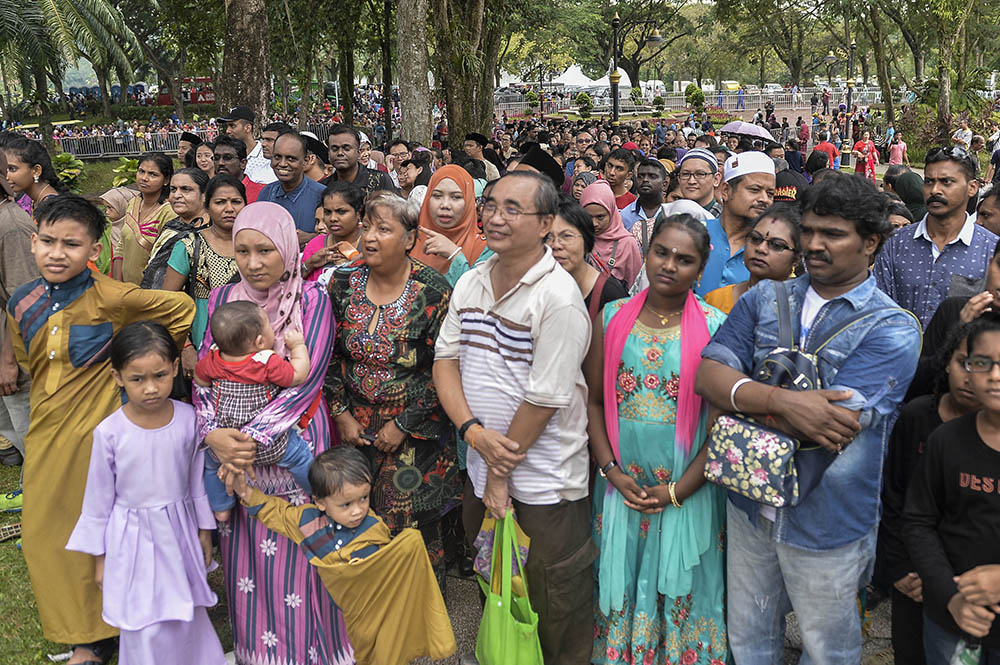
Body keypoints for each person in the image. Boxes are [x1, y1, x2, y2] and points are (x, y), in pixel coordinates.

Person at [695, 174, 922, 665]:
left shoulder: (893, 329)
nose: (815, 244)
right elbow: (707, 375)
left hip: (828, 519)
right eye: (811, 230)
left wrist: (743, 398)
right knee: (750, 639)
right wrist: (787, 403)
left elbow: (835, 425)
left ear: (871, 241)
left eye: (834, 234)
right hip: (748, 502)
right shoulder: (764, 298)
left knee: (828, 649)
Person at [8, 194, 194, 665]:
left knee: (115, 534)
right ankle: (85, 628)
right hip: (47, 435)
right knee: (47, 532)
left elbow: (184, 310)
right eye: (47, 241)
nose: (56, 252)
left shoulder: (113, 296)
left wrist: (162, 364)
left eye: (71, 244)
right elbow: (34, 363)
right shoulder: (22, 301)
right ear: (33, 243)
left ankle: (95, 640)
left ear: (94, 249)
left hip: (105, 436)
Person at [433, 171, 597, 665]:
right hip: (482, 469)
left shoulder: (559, 298)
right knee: (498, 593)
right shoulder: (472, 280)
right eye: (490, 205)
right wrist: (472, 432)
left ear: (546, 223)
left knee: (552, 605)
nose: (495, 217)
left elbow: (544, 399)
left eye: (513, 209)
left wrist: (500, 472)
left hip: (544, 484)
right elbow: (446, 361)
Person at [193, 202, 351, 664]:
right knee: (249, 559)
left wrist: (245, 442)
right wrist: (211, 434)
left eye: (265, 250)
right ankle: (259, 652)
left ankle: (312, 651)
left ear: (286, 247)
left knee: (303, 553)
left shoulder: (312, 301)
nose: (254, 262)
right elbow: (207, 373)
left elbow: (308, 380)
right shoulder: (223, 300)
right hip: (234, 452)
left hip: (293, 442)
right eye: (242, 251)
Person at [585, 212, 729, 665]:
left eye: (684, 260)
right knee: (621, 582)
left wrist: (676, 491)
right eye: (660, 253)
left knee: (686, 586)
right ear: (646, 254)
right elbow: (591, 402)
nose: (669, 265)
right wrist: (610, 470)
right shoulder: (610, 317)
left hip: (689, 489)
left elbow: (721, 426)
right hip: (620, 486)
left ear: (701, 270)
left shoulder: (716, 327)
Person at [65, 322, 224, 665]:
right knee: (143, 617)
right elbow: (97, 501)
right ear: (117, 377)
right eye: (137, 379)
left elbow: (196, 481)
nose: (150, 388)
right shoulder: (110, 433)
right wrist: (101, 559)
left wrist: (204, 529)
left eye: (160, 375)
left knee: (185, 609)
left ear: (175, 369)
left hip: (179, 533)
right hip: (131, 540)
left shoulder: (189, 420)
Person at [325, 191, 459, 584]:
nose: (368, 237)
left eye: (383, 229)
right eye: (366, 226)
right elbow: (328, 353)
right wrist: (341, 413)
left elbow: (447, 368)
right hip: (353, 429)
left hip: (415, 432)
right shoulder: (343, 283)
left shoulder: (433, 290)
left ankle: (420, 620)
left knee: (410, 529)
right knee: (355, 520)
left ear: (409, 238)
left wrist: (402, 424)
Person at [228, 446, 457, 665]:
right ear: (320, 502)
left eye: (364, 499)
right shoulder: (307, 523)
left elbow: (389, 570)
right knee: (362, 653)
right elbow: (275, 511)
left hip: (380, 612)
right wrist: (244, 490)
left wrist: (371, 564)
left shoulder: (373, 527)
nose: (357, 511)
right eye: (346, 504)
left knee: (387, 652)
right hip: (352, 618)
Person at [880, 323, 980, 665]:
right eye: (962, 362)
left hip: (971, 582)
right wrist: (900, 570)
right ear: (945, 363)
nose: (969, 376)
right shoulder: (917, 417)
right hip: (913, 575)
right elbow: (894, 497)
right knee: (910, 652)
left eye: (982, 365)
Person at [904, 314, 1000, 661]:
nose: (995, 375)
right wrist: (948, 595)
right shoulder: (946, 441)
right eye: (981, 363)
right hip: (949, 618)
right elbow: (918, 521)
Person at [194, 300, 313, 522]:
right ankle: (316, 493)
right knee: (300, 456)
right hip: (267, 443)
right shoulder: (266, 362)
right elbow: (297, 376)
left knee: (211, 466)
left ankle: (220, 507)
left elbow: (200, 380)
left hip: (226, 441)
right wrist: (298, 347)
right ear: (259, 341)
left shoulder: (212, 359)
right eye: (269, 325)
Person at [874, 146, 997, 327]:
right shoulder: (894, 244)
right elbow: (878, 311)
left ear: (972, 188)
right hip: (899, 353)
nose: (935, 190)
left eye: (946, 182)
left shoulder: (992, 250)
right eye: (929, 182)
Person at [162, 175, 245, 369]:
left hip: (251, 351)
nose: (229, 209)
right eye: (220, 202)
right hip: (203, 351)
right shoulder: (190, 245)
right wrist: (186, 347)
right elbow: (167, 302)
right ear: (207, 207)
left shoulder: (256, 246)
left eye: (236, 202)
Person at [0, 150, 38, 468]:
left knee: (33, 442)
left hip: (13, 354)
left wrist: (8, 361)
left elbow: (23, 301)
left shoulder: (11, 225)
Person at [696, 151, 776, 296]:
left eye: (770, 194)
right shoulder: (694, 234)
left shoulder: (773, 249)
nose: (765, 199)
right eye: (754, 190)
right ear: (726, 190)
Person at [705, 203, 802, 313]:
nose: (761, 249)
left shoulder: (802, 310)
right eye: (755, 238)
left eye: (776, 245)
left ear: (797, 259)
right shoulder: (715, 301)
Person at [546, 196, 627, 321]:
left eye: (566, 236)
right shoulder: (540, 285)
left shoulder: (610, 294)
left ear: (587, 242)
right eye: (548, 237)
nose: (556, 245)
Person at [410, 164, 489, 276]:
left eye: (456, 197)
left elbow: (480, 291)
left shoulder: (486, 250)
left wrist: (455, 255)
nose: (445, 205)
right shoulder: (408, 243)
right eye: (437, 196)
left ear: (469, 202)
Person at [113, 152, 177, 284]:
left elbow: (163, 260)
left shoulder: (169, 212)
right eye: (141, 171)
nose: (144, 178)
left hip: (150, 292)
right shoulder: (133, 203)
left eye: (153, 174)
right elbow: (121, 247)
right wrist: (118, 286)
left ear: (166, 180)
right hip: (125, 290)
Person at [258, 132, 326, 240]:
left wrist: (311, 238)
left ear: (305, 161)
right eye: (277, 157)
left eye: (291, 159)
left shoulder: (321, 195)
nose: (283, 164)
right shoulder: (266, 193)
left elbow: (335, 236)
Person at [580, 179, 643, 288]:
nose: (594, 223)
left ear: (612, 213)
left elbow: (635, 288)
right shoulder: (577, 239)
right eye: (588, 216)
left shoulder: (627, 244)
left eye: (600, 217)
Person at [301, 181, 365, 286]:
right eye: (327, 212)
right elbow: (295, 287)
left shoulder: (370, 245)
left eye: (341, 212)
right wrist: (310, 264)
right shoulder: (315, 245)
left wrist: (357, 263)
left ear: (358, 213)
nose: (333, 218)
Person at [327, 125, 396, 196]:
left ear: (357, 151)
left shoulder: (380, 180)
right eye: (335, 149)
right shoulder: (323, 187)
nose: (340, 153)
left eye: (346, 149)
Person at [3, 135, 66, 213]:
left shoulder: (52, 208)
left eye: (12, 169)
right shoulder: (35, 200)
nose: (5, 176)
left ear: (36, 171)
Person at [219, 105, 276, 185]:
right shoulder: (224, 156)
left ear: (248, 128)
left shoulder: (266, 156)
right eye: (227, 126)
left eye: (232, 126)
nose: (228, 131)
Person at [621, 159, 666, 253]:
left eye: (652, 176)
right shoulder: (625, 216)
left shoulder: (671, 213)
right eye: (641, 176)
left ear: (664, 184)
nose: (645, 180)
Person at [213, 134, 264, 203]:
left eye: (227, 158)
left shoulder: (263, 193)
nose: (220, 163)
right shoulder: (210, 191)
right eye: (216, 158)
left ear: (243, 163)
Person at [676, 147, 723, 217]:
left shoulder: (725, 220)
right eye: (685, 174)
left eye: (700, 174)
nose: (691, 181)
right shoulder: (668, 214)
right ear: (678, 178)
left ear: (716, 179)